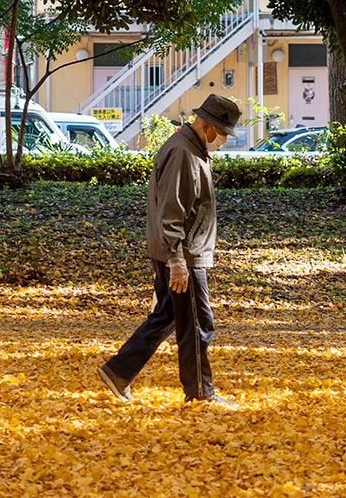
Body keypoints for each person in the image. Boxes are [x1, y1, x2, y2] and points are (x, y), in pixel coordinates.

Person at [98, 93, 241, 404]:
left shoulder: (191, 148)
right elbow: (171, 213)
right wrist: (177, 261)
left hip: (179, 253)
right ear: (207, 127)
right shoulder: (183, 153)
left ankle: (118, 371)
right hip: (183, 256)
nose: (224, 140)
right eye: (223, 133)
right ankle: (201, 393)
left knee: (167, 316)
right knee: (198, 324)